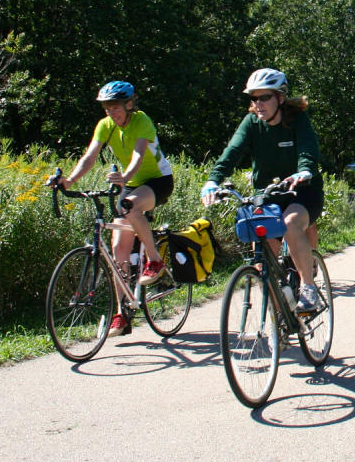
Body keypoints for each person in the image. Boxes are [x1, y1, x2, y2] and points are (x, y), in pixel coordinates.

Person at [200, 68, 325, 313]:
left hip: (303, 191)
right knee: (262, 261)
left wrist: (304, 170)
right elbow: (231, 153)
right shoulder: (251, 124)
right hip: (269, 195)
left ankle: (309, 291)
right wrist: (213, 180)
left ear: (280, 97)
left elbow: (308, 149)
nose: (258, 104)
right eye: (254, 98)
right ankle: (280, 320)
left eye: (264, 97)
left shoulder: (297, 118)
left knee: (290, 224)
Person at [59, 81, 175, 335]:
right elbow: (90, 156)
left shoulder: (141, 121)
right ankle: (122, 313)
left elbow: (138, 156)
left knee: (131, 208)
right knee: (117, 249)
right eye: (106, 107)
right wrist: (70, 180)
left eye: (115, 106)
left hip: (157, 181)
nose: (111, 112)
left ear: (129, 105)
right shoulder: (105, 126)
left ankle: (155, 261)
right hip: (129, 184)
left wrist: (124, 176)